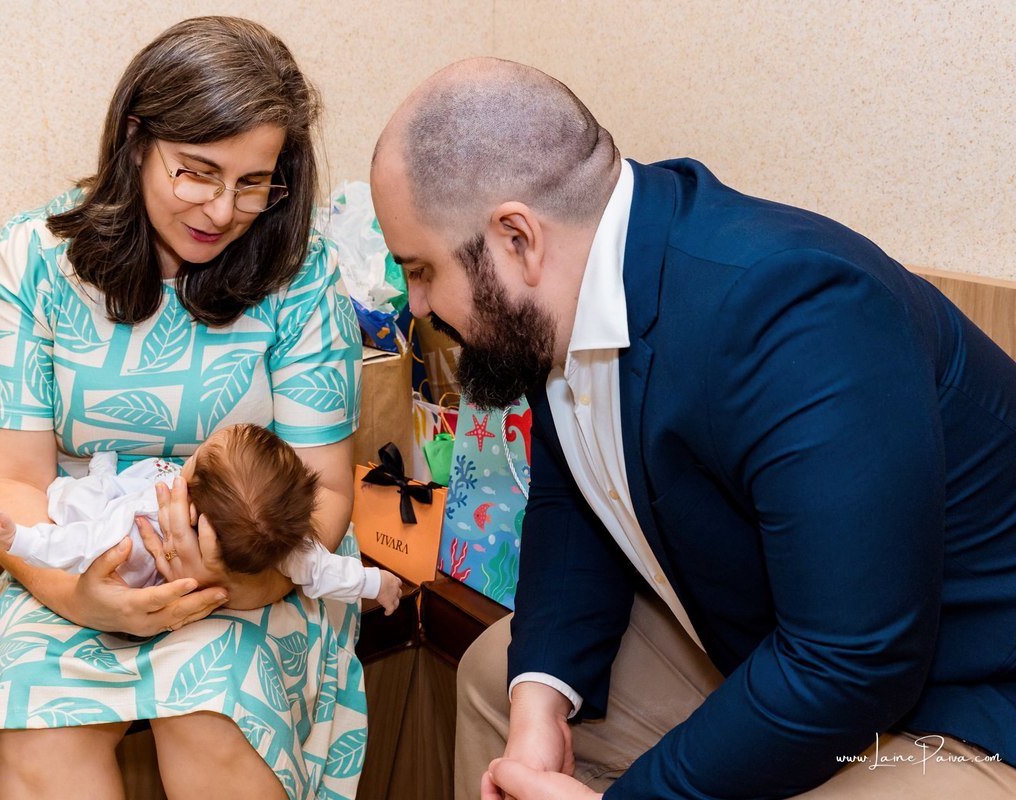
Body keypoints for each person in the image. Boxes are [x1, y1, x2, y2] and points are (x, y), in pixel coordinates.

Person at [370, 57, 1016, 799]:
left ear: (517, 238)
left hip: (965, 695)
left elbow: (852, 662)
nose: (416, 304)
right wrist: (540, 705)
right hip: (766, 630)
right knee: (498, 676)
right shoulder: (567, 289)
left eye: (421, 270)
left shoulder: (794, 310)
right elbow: (574, 502)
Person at [0, 17, 366, 800]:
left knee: (212, 715)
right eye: (197, 172)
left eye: (254, 182)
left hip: (261, 568)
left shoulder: (302, 275)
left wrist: (239, 583)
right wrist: (80, 597)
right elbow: (5, 481)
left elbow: (322, 492)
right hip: (80, 554)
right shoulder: (36, 260)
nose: (224, 210)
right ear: (135, 140)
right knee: (46, 741)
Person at [0, 423, 403, 614]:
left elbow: (72, 544)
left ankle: (101, 473)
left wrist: (14, 538)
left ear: (189, 508)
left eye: (194, 460)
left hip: (108, 538)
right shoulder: (289, 550)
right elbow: (329, 572)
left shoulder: (136, 523)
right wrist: (377, 584)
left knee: (79, 498)